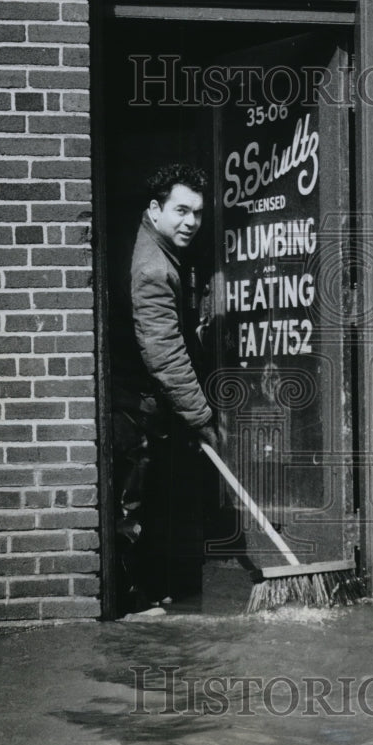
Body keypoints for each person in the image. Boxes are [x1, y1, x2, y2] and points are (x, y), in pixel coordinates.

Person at [111, 163, 218, 615]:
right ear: (155, 210)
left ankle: (145, 593)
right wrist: (201, 417)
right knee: (129, 505)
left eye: (197, 212)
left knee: (144, 501)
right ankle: (130, 604)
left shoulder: (155, 250)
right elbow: (164, 354)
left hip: (142, 404)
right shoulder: (153, 268)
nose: (191, 222)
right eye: (180, 210)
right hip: (130, 406)